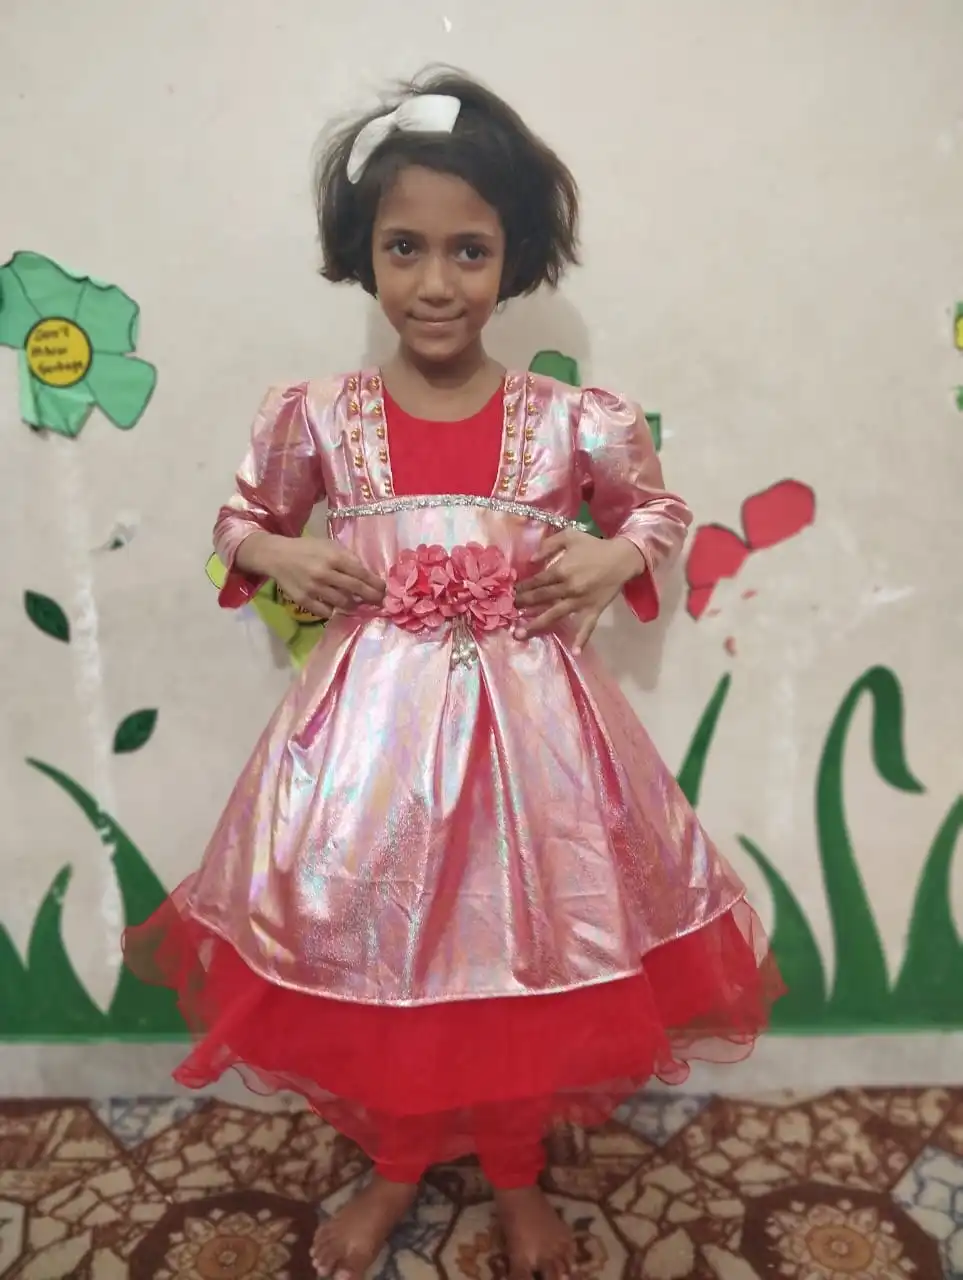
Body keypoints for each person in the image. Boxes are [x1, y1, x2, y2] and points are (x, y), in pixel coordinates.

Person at [123, 69, 782, 1280]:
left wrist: (615, 553)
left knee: (525, 967)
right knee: (386, 961)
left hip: (535, 758)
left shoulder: (577, 420)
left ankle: (518, 1175)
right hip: (369, 755)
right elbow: (239, 520)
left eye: (469, 250)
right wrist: (277, 550)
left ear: (513, 255)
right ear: (362, 251)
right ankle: (397, 1160)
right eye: (406, 247)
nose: (436, 282)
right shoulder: (316, 414)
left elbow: (657, 509)